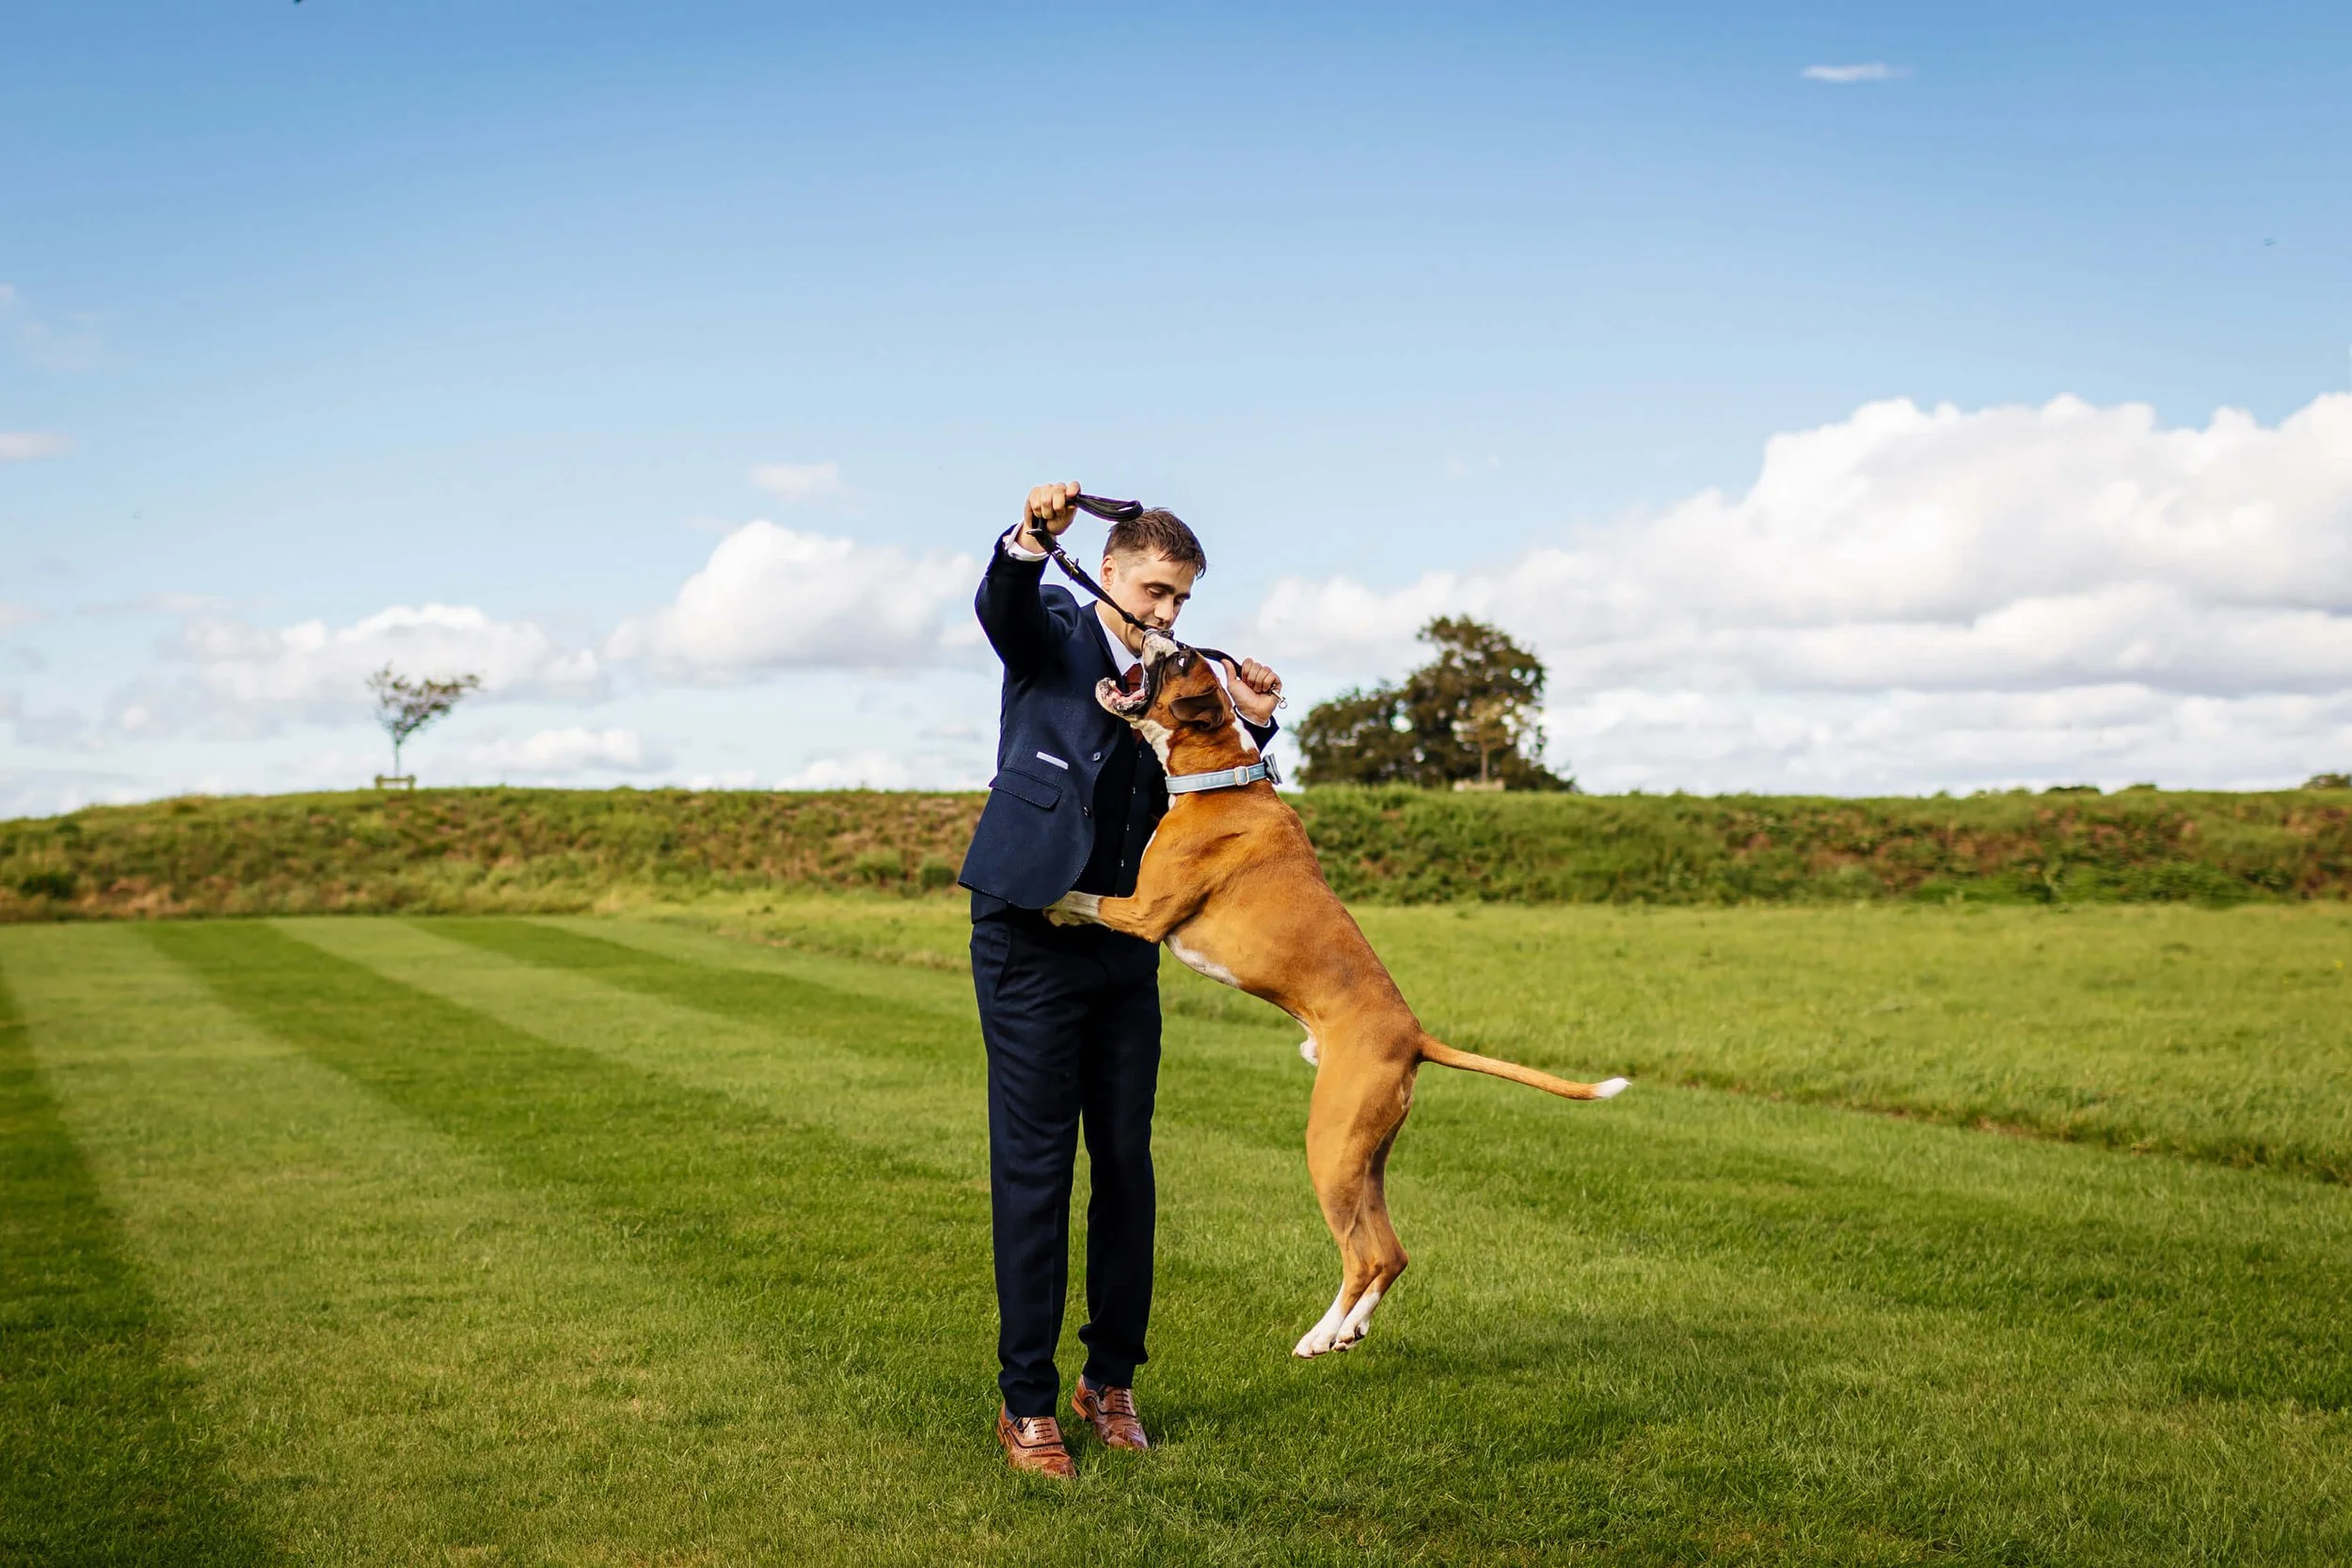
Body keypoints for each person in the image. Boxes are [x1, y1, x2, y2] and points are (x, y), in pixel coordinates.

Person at [959, 481, 1284, 1479]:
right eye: (1154, 590)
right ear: (1108, 572)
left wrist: (1257, 727)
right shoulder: (1049, 625)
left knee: (1127, 1165)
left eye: (1182, 598)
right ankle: (1027, 1402)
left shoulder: (1180, 677)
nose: (1167, 612)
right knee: (1035, 1170)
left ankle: (1110, 1378)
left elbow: (1213, 792)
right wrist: (1029, 536)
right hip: (1027, 927)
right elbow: (1001, 607)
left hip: (1123, 936)